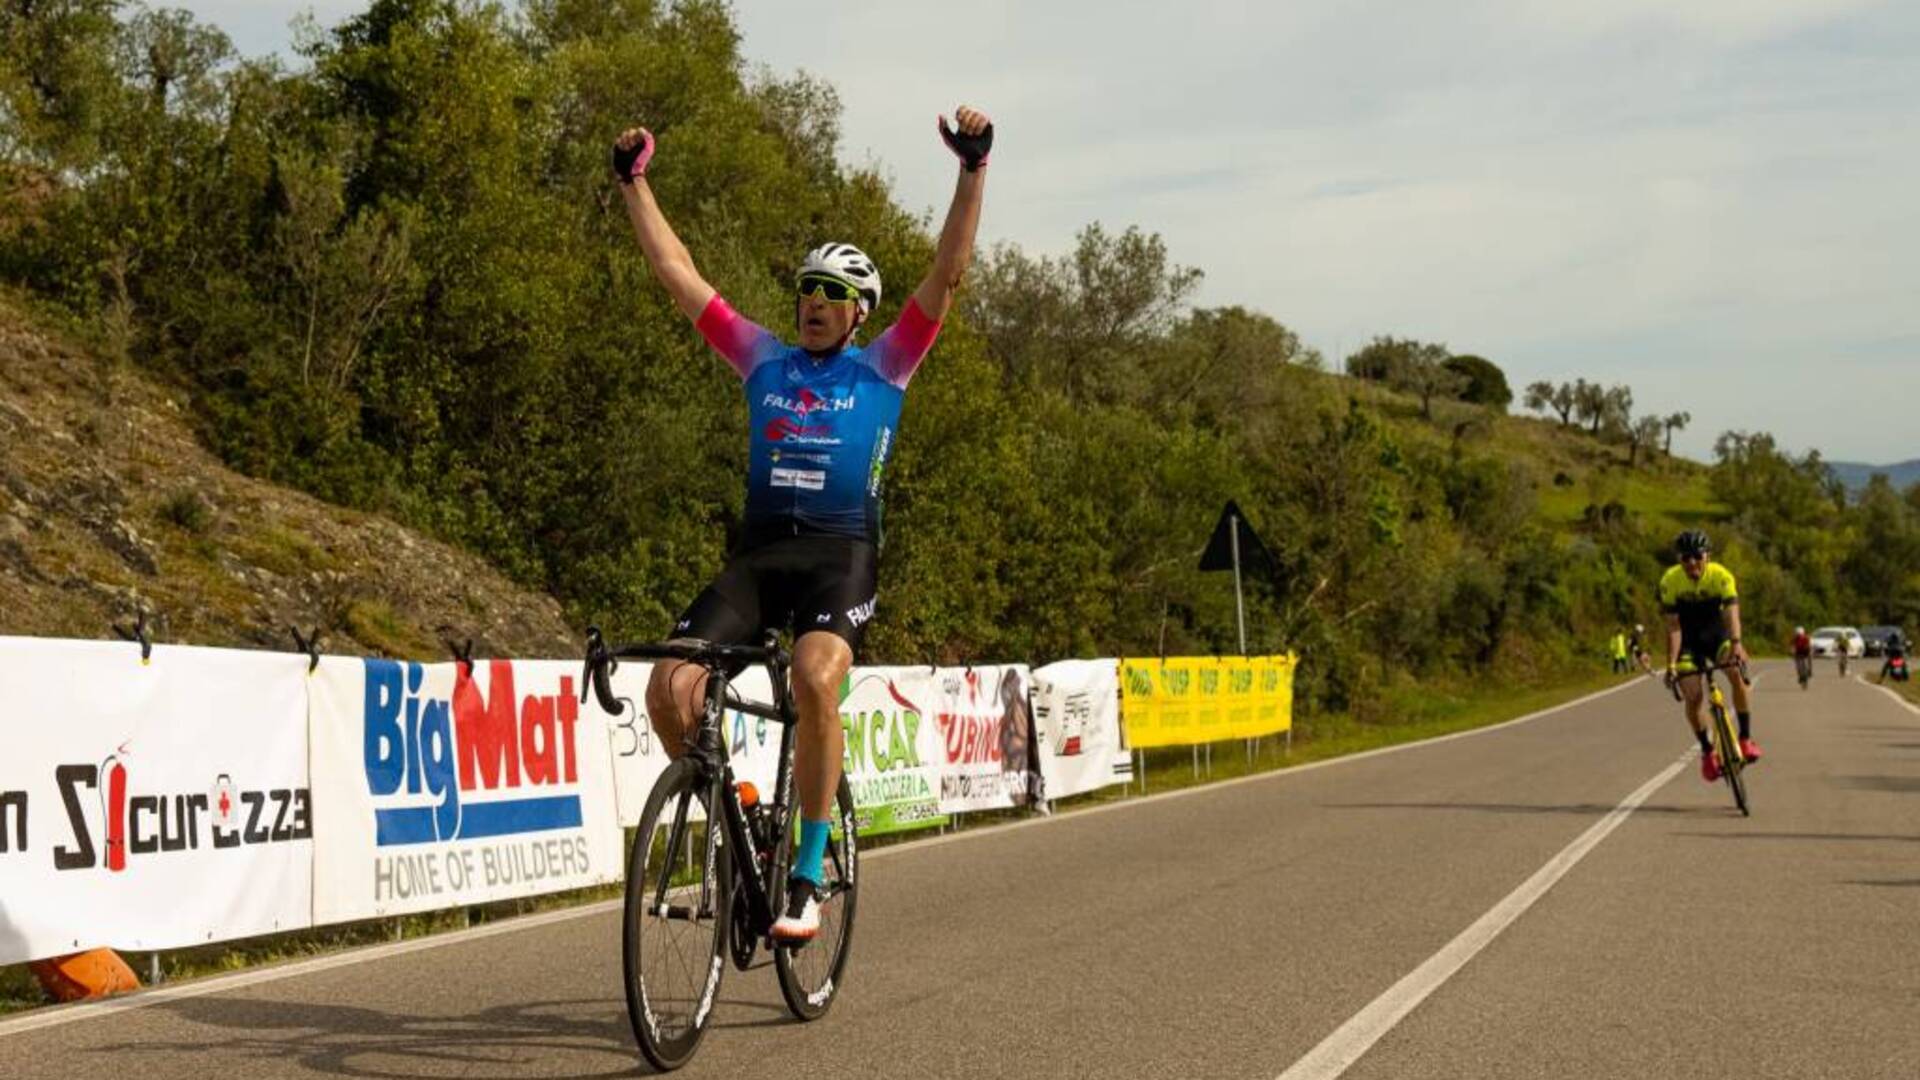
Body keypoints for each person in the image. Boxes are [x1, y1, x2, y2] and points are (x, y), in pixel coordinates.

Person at [612, 105, 994, 940]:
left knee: (815, 679)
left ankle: (807, 872)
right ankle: (739, 806)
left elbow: (951, 272)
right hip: (759, 560)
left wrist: (972, 171)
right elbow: (679, 275)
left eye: (835, 294)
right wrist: (633, 183)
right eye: (807, 290)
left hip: (839, 560)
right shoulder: (762, 359)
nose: (815, 303)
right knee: (668, 689)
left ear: (860, 312)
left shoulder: (887, 367)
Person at [1658, 529, 1762, 782]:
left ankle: (1745, 738)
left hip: (1717, 635)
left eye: (1697, 556)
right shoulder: (1670, 581)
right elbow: (1673, 627)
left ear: (1707, 556)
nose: (1691, 562)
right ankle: (1707, 752)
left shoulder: (1721, 576)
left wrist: (1736, 643)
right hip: (1688, 642)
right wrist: (1671, 664)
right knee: (1693, 697)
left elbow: (1731, 613)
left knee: (1736, 673)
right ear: (1679, 560)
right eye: (1685, 558)